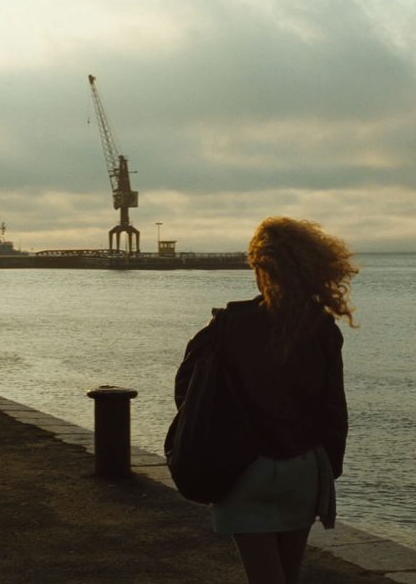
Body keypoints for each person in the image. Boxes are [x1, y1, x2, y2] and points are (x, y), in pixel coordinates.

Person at [173, 216, 358, 584]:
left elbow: (188, 391)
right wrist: (327, 469)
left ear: (260, 268)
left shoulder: (228, 326)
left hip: (244, 470)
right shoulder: (322, 329)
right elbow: (334, 411)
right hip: (304, 469)